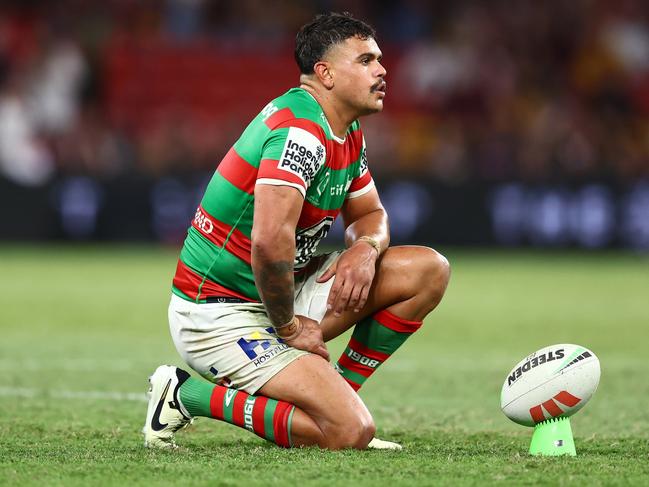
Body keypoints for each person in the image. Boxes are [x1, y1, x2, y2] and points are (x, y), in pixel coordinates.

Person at [143, 11, 450, 450]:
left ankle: (337, 397)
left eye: (379, 59)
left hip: (282, 293)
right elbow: (269, 244)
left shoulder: (345, 129)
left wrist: (365, 247)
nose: (382, 70)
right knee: (350, 433)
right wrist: (288, 328)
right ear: (324, 73)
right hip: (219, 314)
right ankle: (186, 394)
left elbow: (371, 215)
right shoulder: (300, 131)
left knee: (427, 269)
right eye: (365, 61)